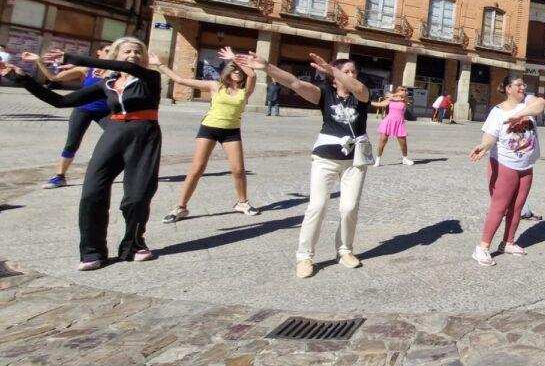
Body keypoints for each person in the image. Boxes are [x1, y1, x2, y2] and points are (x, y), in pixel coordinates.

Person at [1, 39, 162, 270]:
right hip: (114, 133)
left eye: (138, 51)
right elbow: (60, 101)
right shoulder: (106, 83)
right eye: (127, 51)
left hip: (144, 135)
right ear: (116, 55)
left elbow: (127, 68)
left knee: (137, 197)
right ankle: (92, 251)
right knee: (92, 192)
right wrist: (22, 79)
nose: (133, 54)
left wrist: (72, 58)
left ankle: (133, 244)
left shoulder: (149, 77)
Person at [234, 52, 372, 279]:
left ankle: (345, 250)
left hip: (354, 161)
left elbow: (358, 88)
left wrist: (333, 69)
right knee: (317, 206)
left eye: (353, 72)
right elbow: (294, 83)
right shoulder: (324, 94)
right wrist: (267, 67)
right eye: (345, 71)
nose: (350, 75)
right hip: (325, 159)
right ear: (333, 79)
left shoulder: (361, 95)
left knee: (349, 208)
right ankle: (304, 256)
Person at [157, 48, 258, 223]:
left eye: (240, 71)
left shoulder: (245, 91)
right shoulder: (215, 86)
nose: (237, 73)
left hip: (231, 131)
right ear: (227, 72)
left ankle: (242, 203)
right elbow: (180, 80)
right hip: (209, 129)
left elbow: (253, 75)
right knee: (197, 169)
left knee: (238, 170)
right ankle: (181, 207)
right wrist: (159, 65)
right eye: (234, 70)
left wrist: (234, 58)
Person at [468, 75, 545, 266]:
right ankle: (482, 248)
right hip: (505, 164)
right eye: (518, 85)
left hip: (526, 165)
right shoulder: (497, 112)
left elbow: (541, 104)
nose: (523, 87)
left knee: (518, 207)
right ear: (508, 88)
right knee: (499, 207)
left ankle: (508, 242)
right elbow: (489, 137)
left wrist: (519, 115)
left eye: (523, 84)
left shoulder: (528, 101)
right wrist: (484, 146)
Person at [23, 47, 112, 189]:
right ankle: (59, 177)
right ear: (99, 52)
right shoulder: (86, 69)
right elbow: (54, 78)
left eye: (113, 50)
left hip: (105, 112)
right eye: (107, 50)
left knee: (120, 137)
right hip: (82, 110)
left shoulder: (117, 71)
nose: (110, 53)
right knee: (72, 143)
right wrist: (38, 61)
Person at [373, 87, 415, 166]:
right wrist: (368, 102)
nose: (404, 91)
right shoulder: (391, 99)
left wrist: (393, 95)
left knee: (403, 143)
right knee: (382, 141)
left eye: (405, 90)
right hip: (388, 122)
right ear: (398, 90)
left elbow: (403, 96)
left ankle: (405, 159)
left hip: (399, 123)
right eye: (402, 89)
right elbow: (380, 104)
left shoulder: (405, 99)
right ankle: (377, 160)